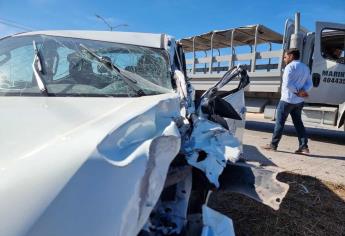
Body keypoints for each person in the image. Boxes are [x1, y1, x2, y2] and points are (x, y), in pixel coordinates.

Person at [262, 48, 312, 154]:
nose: (284, 59)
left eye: (285, 57)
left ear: (291, 56)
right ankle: (304, 147)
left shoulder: (289, 67)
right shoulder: (305, 68)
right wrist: (303, 91)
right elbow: (310, 84)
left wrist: (297, 91)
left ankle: (273, 145)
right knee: (298, 123)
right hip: (299, 101)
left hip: (287, 100)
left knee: (280, 122)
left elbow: (287, 84)